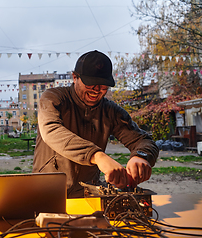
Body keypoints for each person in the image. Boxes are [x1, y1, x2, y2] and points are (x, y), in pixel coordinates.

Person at [33, 50, 159, 198]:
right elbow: (51, 131)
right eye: (91, 84)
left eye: (103, 85)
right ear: (75, 77)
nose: (97, 90)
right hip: (48, 190)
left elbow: (143, 140)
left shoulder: (110, 111)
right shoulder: (53, 98)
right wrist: (97, 156)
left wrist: (141, 156)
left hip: (88, 193)